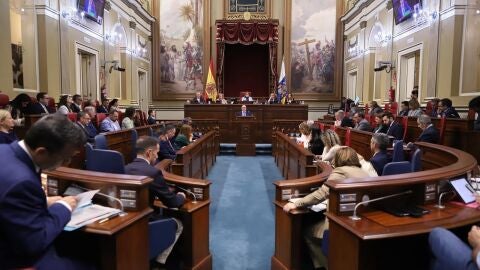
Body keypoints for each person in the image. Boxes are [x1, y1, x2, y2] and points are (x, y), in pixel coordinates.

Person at [0, 114, 87, 269]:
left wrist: (43, 202)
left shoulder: (4, 150)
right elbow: (35, 242)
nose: (67, 163)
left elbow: (7, 201)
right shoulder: (22, 182)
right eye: (65, 158)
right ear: (41, 152)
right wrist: (64, 207)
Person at [283, 147, 369, 269]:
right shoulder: (363, 172)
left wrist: (297, 203)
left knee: (308, 233)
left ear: (339, 159)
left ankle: (327, 265)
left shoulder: (340, 171)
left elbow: (322, 193)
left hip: (339, 224)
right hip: (357, 222)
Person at [125, 136, 185, 264]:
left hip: (126, 219)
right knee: (178, 224)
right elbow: (172, 203)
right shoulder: (153, 172)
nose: (157, 157)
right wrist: (181, 196)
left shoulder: (125, 168)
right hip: (145, 219)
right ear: (149, 153)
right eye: (156, 153)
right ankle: (160, 261)